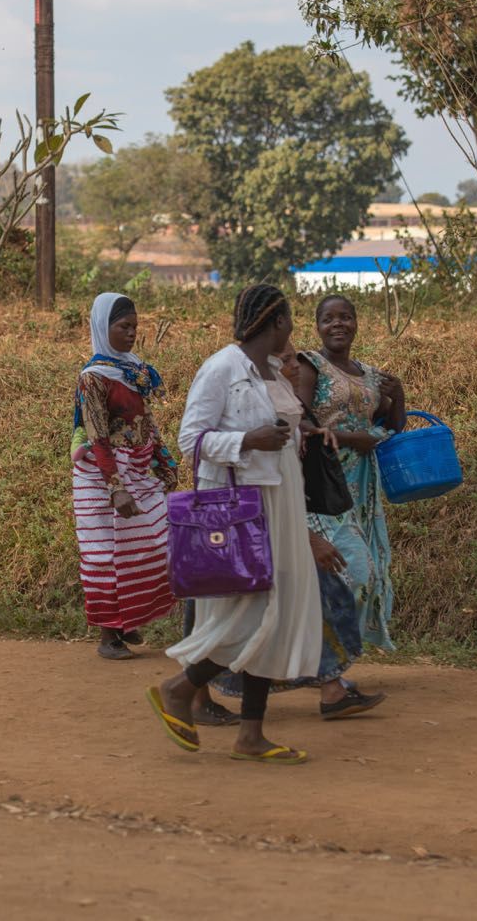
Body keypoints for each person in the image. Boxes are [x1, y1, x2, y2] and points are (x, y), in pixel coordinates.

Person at [146, 284, 323, 765]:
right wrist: (250, 439)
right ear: (279, 322)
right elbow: (191, 440)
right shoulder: (221, 367)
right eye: (290, 320)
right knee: (251, 613)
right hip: (245, 506)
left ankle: (251, 734)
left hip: (280, 499)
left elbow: (283, 432)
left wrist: (301, 435)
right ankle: (180, 687)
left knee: (277, 608)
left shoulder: (270, 372)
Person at [201, 323, 388, 720]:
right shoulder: (252, 400)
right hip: (248, 522)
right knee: (239, 612)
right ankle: (188, 690)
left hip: (279, 521)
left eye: (293, 358)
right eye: (285, 358)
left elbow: (290, 460)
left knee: (287, 604)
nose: (294, 366)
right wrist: (306, 537)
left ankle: (324, 692)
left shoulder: (282, 401)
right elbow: (247, 472)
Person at [291, 293, 406, 653]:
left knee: (359, 570)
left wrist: (398, 394)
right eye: (329, 319)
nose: (337, 324)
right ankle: (325, 656)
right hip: (323, 480)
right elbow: (300, 424)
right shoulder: (310, 366)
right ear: (318, 327)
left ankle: (331, 656)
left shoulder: (369, 374)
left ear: (356, 323)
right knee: (351, 569)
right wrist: (352, 439)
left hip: (361, 485)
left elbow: (392, 424)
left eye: (345, 317)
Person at [71, 292, 178, 660]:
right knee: (106, 554)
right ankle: (108, 635)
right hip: (103, 475)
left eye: (134, 326)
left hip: (136, 466)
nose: (132, 333)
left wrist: (165, 460)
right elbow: (98, 433)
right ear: (104, 327)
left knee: (149, 543)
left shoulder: (133, 370)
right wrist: (114, 488)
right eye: (123, 326)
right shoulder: (94, 378)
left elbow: (144, 420)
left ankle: (128, 620)